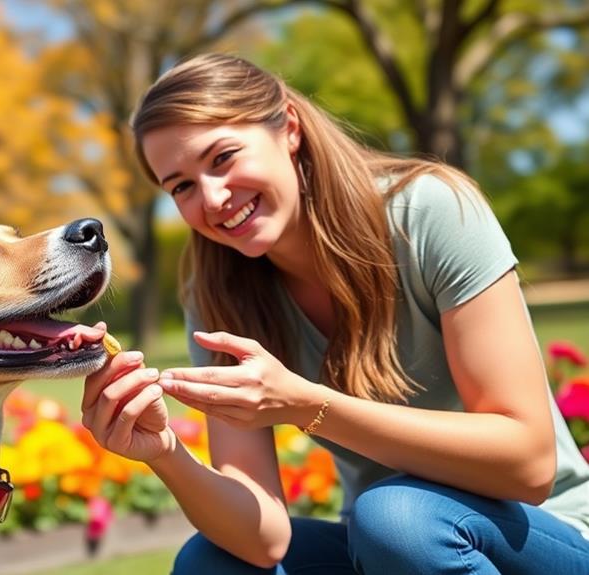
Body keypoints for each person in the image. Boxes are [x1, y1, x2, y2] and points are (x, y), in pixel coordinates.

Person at [80, 53, 589, 574]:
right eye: (181, 186)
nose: (211, 197)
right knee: (211, 563)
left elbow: (527, 466)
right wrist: (165, 452)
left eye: (223, 157)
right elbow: (265, 543)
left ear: (290, 129)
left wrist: (307, 405)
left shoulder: (431, 214)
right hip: (383, 549)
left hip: (538, 533)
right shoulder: (217, 296)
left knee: (398, 518)